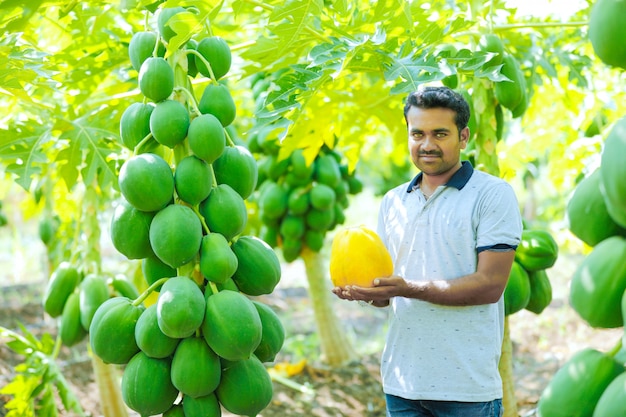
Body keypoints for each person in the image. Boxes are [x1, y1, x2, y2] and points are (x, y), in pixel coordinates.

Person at [332, 85, 523, 417]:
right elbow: (390, 293)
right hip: (402, 383)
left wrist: (409, 288)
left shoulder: (492, 195)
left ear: (463, 137)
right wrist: (370, 293)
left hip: (467, 388)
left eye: (440, 133)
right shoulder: (393, 201)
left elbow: (491, 285)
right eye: (417, 133)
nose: (427, 144)